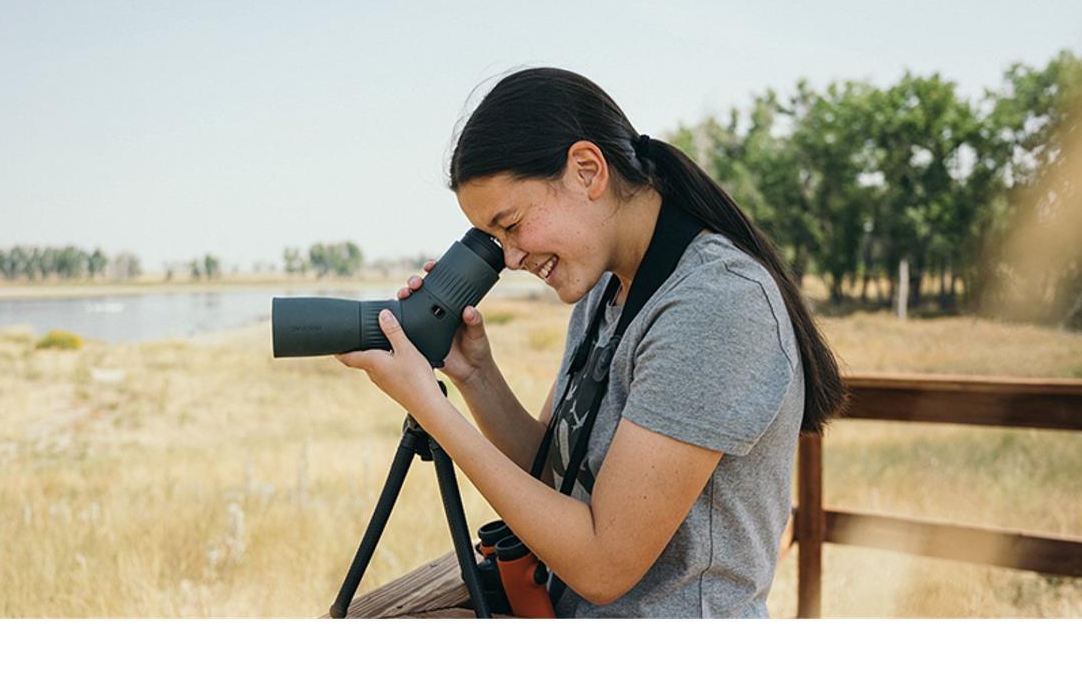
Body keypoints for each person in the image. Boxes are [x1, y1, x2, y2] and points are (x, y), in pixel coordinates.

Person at [336, 67, 844, 617]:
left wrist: (431, 410)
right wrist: (475, 375)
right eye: (493, 238)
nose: (508, 259)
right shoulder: (605, 290)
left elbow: (604, 566)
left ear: (586, 170)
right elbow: (555, 477)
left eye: (511, 224)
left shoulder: (715, 303)